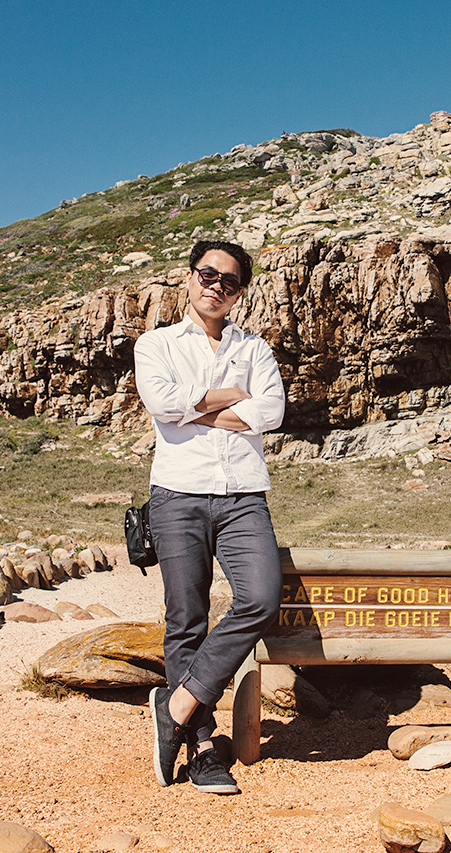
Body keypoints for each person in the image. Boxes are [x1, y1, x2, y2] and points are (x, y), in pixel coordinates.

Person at [133, 239, 285, 795]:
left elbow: (272, 411)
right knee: (186, 618)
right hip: (178, 493)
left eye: (229, 281)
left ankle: (176, 704)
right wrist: (229, 397)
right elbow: (162, 404)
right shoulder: (156, 344)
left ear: (240, 292)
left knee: (261, 597)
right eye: (207, 274)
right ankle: (200, 747)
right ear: (189, 277)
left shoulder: (255, 349)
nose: (216, 286)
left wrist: (195, 407)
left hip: (243, 493)